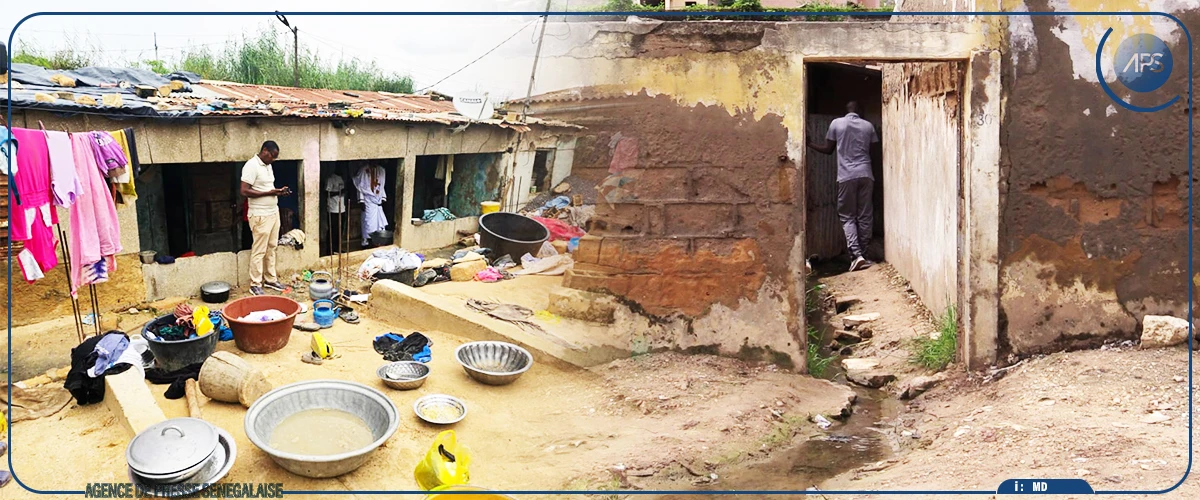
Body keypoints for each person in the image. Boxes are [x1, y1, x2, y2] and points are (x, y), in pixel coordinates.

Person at [808, 101, 879, 272]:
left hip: (846, 176)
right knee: (864, 216)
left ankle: (856, 256)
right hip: (866, 174)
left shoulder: (837, 123)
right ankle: (864, 255)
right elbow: (875, 151)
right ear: (860, 111)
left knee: (847, 216)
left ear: (846, 111)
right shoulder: (868, 126)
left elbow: (828, 149)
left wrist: (809, 144)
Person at [240, 141, 291, 295]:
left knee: (272, 247)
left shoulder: (268, 165)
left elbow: (266, 188)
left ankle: (270, 280)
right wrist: (270, 193)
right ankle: (255, 284)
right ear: (264, 151)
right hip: (260, 214)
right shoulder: (251, 165)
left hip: (273, 212)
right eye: (272, 156)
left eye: (275, 158)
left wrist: (278, 191)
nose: (273, 160)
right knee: (259, 250)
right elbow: (244, 191)